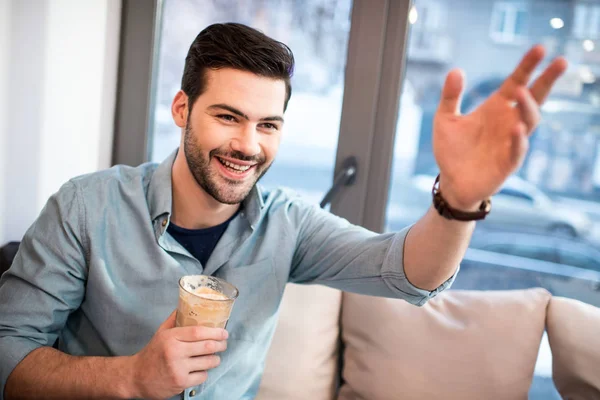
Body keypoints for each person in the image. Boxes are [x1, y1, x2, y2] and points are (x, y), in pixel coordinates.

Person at [0, 22, 567, 400]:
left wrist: (460, 201)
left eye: (267, 125)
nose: (248, 145)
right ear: (181, 108)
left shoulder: (289, 223)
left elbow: (406, 272)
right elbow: (8, 356)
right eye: (227, 116)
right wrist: (131, 378)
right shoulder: (85, 205)